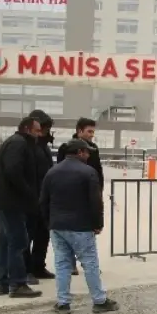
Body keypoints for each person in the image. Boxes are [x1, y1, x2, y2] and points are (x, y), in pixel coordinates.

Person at [41, 139, 119, 314]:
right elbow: (95, 202)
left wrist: (49, 223)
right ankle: (99, 301)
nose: (89, 155)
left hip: (57, 226)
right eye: (87, 152)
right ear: (80, 152)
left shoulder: (52, 172)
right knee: (90, 263)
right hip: (80, 226)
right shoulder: (88, 172)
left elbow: (43, 201)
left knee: (62, 264)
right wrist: (97, 224)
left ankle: (63, 303)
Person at [0, 116, 43, 299]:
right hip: (9, 202)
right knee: (18, 241)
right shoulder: (19, 144)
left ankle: (4, 282)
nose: (39, 134)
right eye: (37, 130)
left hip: (4, 201)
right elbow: (13, 171)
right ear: (27, 129)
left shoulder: (16, 142)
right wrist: (29, 192)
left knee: (7, 242)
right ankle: (17, 283)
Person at [57, 117, 104, 277]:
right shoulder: (66, 148)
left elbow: (98, 171)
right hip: (70, 195)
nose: (92, 135)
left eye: (93, 131)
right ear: (79, 131)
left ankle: (90, 264)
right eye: (89, 131)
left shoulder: (94, 149)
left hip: (89, 193)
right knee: (70, 230)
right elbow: (60, 170)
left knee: (90, 230)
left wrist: (99, 191)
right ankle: (71, 264)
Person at [24, 110, 57, 281]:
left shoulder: (43, 145)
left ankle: (38, 265)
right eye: (43, 128)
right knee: (27, 234)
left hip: (44, 197)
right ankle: (26, 269)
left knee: (42, 234)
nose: (45, 132)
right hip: (31, 197)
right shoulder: (28, 145)